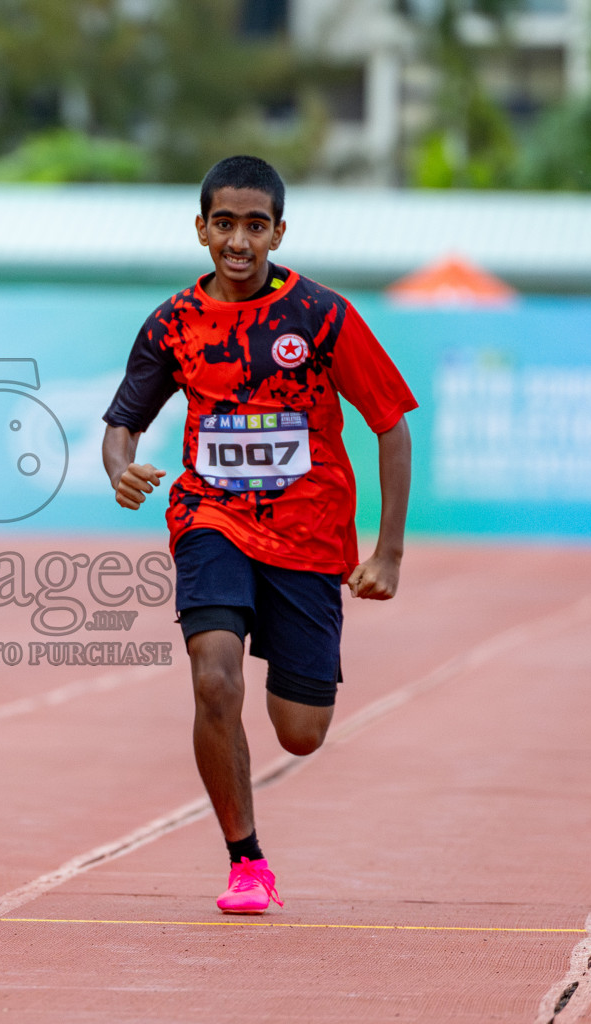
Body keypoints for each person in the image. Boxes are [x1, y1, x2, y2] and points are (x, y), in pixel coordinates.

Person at [101, 156, 416, 915]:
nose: (238, 240)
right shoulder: (174, 322)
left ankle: (297, 691)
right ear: (201, 228)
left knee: (301, 732)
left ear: (278, 230)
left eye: (255, 226)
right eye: (224, 224)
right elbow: (122, 426)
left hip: (309, 535)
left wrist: (389, 552)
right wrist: (121, 468)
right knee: (213, 675)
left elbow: (391, 426)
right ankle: (245, 859)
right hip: (210, 518)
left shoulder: (320, 315)